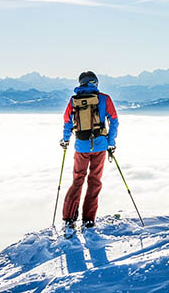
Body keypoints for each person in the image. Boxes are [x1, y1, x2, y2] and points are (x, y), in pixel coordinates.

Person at [60, 71, 118, 230]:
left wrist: (65, 140)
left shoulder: (74, 100)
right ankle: (88, 219)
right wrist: (111, 142)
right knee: (94, 181)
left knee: (77, 180)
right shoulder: (104, 99)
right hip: (100, 146)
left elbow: (67, 122)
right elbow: (114, 121)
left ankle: (69, 218)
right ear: (95, 83)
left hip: (81, 146)